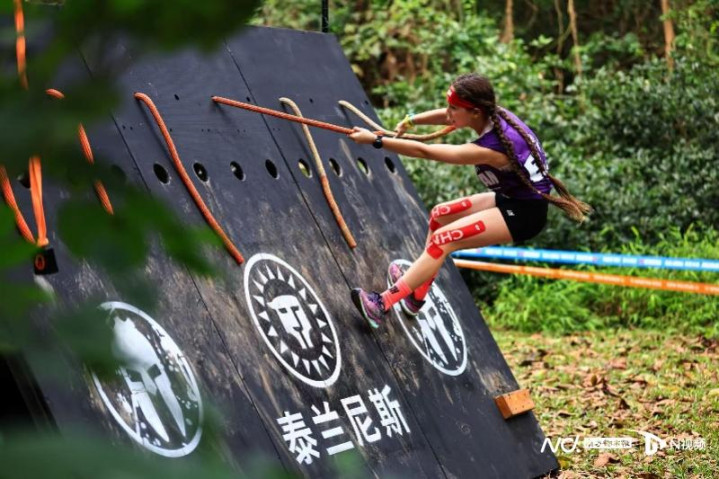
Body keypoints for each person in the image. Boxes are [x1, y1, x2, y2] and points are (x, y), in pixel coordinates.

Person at [347, 73, 591, 329]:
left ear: (475, 112)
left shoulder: (492, 149)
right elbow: (448, 116)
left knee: (443, 240)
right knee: (440, 215)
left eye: (454, 108)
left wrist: (375, 140)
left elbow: (425, 151)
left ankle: (381, 304)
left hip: (524, 214)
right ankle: (416, 294)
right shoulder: (491, 114)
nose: (448, 113)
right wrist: (411, 120)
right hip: (510, 198)